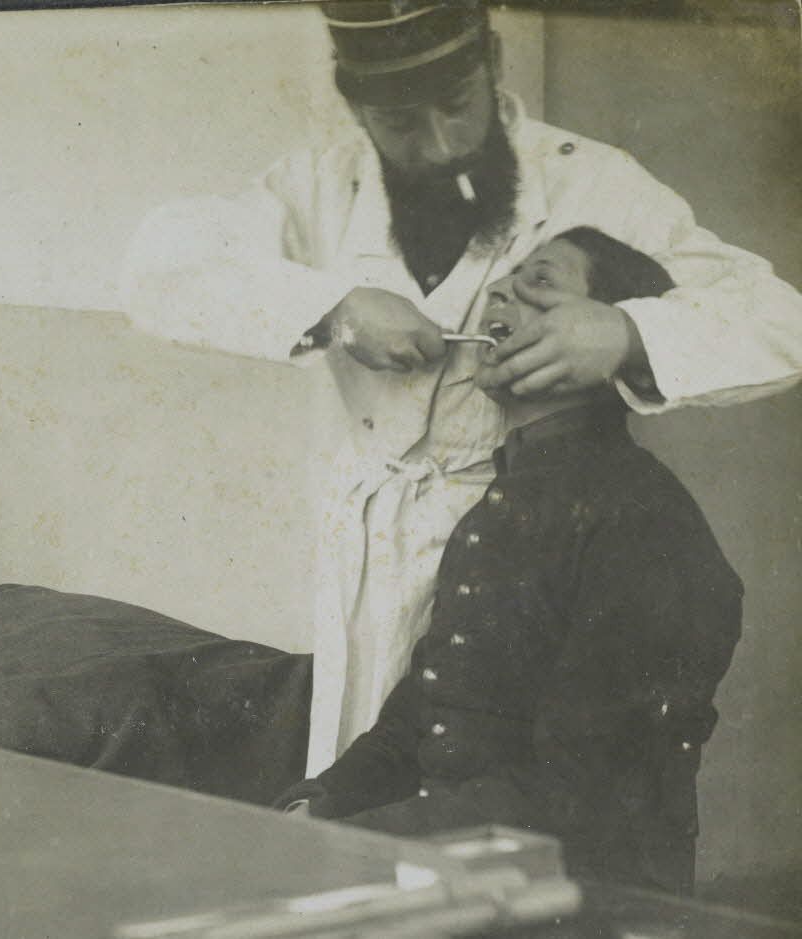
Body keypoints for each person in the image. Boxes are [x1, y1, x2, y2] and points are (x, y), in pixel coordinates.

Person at [118, 0, 802, 777]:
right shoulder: (323, 183)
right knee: (359, 766)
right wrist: (332, 308)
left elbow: (781, 319)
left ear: (494, 63)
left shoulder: (593, 183)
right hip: (369, 543)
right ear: (356, 105)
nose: (441, 145)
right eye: (401, 122)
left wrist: (627, 332)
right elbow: (159, 267)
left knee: (484, 783)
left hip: (526, 552)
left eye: (457, 104)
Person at [273, 227, 743, 895]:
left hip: (571, 903)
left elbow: (582, 794)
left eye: (540, 282)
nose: (499, 290)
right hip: (465, 869)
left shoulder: (642, 517)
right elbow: (421, 714)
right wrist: (319, 802)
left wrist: (355, 844)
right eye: (506, 277)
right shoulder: (500, 503)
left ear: (606, 336)